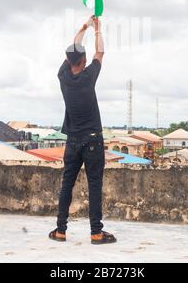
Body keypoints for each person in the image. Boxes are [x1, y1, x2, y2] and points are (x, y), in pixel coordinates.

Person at [49, 16, 116, 245]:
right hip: (93, 141)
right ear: (84, 60)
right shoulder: (88, 77)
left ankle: (60, 231)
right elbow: (101, 53)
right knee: (94, 186)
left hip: (73, 142)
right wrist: (97, 30)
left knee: (66, 185)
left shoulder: (63, 77)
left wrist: (84, 27)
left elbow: (74, 50)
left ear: (68, 61)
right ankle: (96, 232)